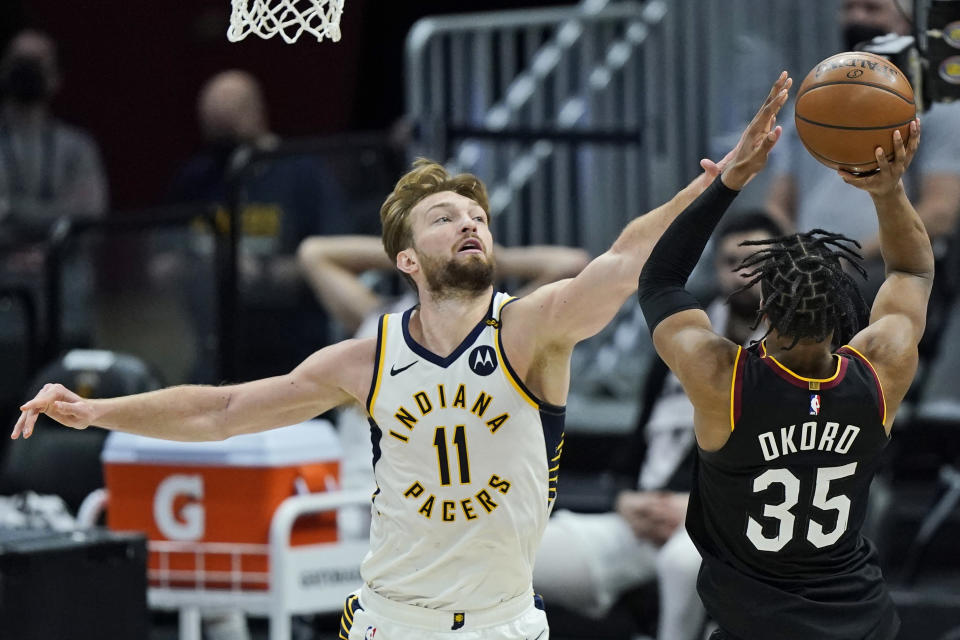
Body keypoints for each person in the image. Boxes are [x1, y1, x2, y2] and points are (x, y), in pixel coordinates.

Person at [13, 73, 790, 640]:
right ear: (407, 260)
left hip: (500, 623)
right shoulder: (365, 357)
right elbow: (221, 410)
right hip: (391, 621)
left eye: (476, 216)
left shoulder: (530, 330)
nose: (469, 225)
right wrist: (98, 410)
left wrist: (721, 183)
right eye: (445, 217)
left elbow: (623, 261)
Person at [638, 72, 932, 639]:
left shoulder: (724, 382)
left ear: (764, 306)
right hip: (864, 622)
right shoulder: (879, 372)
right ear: (846, 313)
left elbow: (659, 281)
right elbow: (913, 270)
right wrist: (887, 188)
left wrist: (731, 179)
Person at [533, 211, 783, 640]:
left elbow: (787, 463)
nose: (744, 273)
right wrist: (623, 497)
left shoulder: (797, 353)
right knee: (522, 557)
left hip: (730, 528)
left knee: (682, 564)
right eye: (731, 262)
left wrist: (700, 510)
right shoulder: (686, 334)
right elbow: (637, 442)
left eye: (758, 261)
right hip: (642, 518)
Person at [296, 233, 590, 538]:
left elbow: (572, 264)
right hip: (347, 502)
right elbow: (314, 253)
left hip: (423, 516)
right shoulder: (379, 316)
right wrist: (416, 255)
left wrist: (489, 260)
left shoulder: (496, 327)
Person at [765, 0, 960, 303]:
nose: (857, 17)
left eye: (872, 9)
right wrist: (801, 257)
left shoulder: (936, 106)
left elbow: (941, 212)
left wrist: (848, 256)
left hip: (886, 268)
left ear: (904, 23)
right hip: (810, 270)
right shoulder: (808, 104)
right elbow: (776, 205)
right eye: (849, 8)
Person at [165, 69, 350, 380]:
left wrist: (263, 273)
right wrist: (201, 266)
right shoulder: (198, 177)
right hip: (218, 351)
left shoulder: (303, 174)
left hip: (294, 352)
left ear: (254, 114)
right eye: (216, 138)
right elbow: (160, 264)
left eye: (230, 133)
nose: (224, 154)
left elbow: (339, 259)